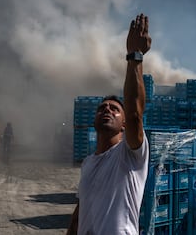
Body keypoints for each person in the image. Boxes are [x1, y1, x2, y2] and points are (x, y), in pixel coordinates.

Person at [67, 13, 152, 235]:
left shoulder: (130, 155)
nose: (107, 110)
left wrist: (135, 56)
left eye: (114, 109)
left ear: (124, 124)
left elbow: (135, 114)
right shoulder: (88, 163)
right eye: (102, 108)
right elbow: (78, 216)